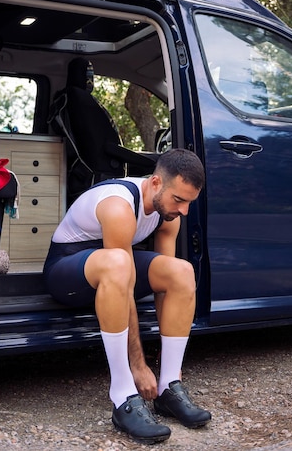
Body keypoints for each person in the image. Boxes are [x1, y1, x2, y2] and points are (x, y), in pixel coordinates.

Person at [43, 148, 211, 444]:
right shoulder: (119, 206)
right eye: (179, 200)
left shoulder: (169, 214)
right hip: (67, 271)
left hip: (114, 271)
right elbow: (126, 283)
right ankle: (123, 394)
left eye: (189, 202)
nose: (184, 210)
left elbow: (163, 288)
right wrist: (139, 364)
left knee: (181, 271)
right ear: (156, 183)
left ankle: (170, 386)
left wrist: (164, 359)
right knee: (119, 263)